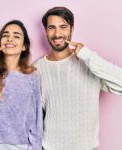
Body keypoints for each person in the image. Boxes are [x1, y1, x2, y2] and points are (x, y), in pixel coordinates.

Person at [35, 6, 122, 150]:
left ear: (72, 29)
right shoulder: (38, 68)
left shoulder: (88, 62)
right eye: (52, 27)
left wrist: (86, 55)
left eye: (63, 27)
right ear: (46, 31)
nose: (57, 33)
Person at [0, 20, 42, 150]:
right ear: (0, 42)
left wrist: (35, 147)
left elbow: (36, 118)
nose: (10, 39)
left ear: (24, 46)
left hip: (22, 147)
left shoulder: (32, 76)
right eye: (5, 35)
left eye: (16, 36)